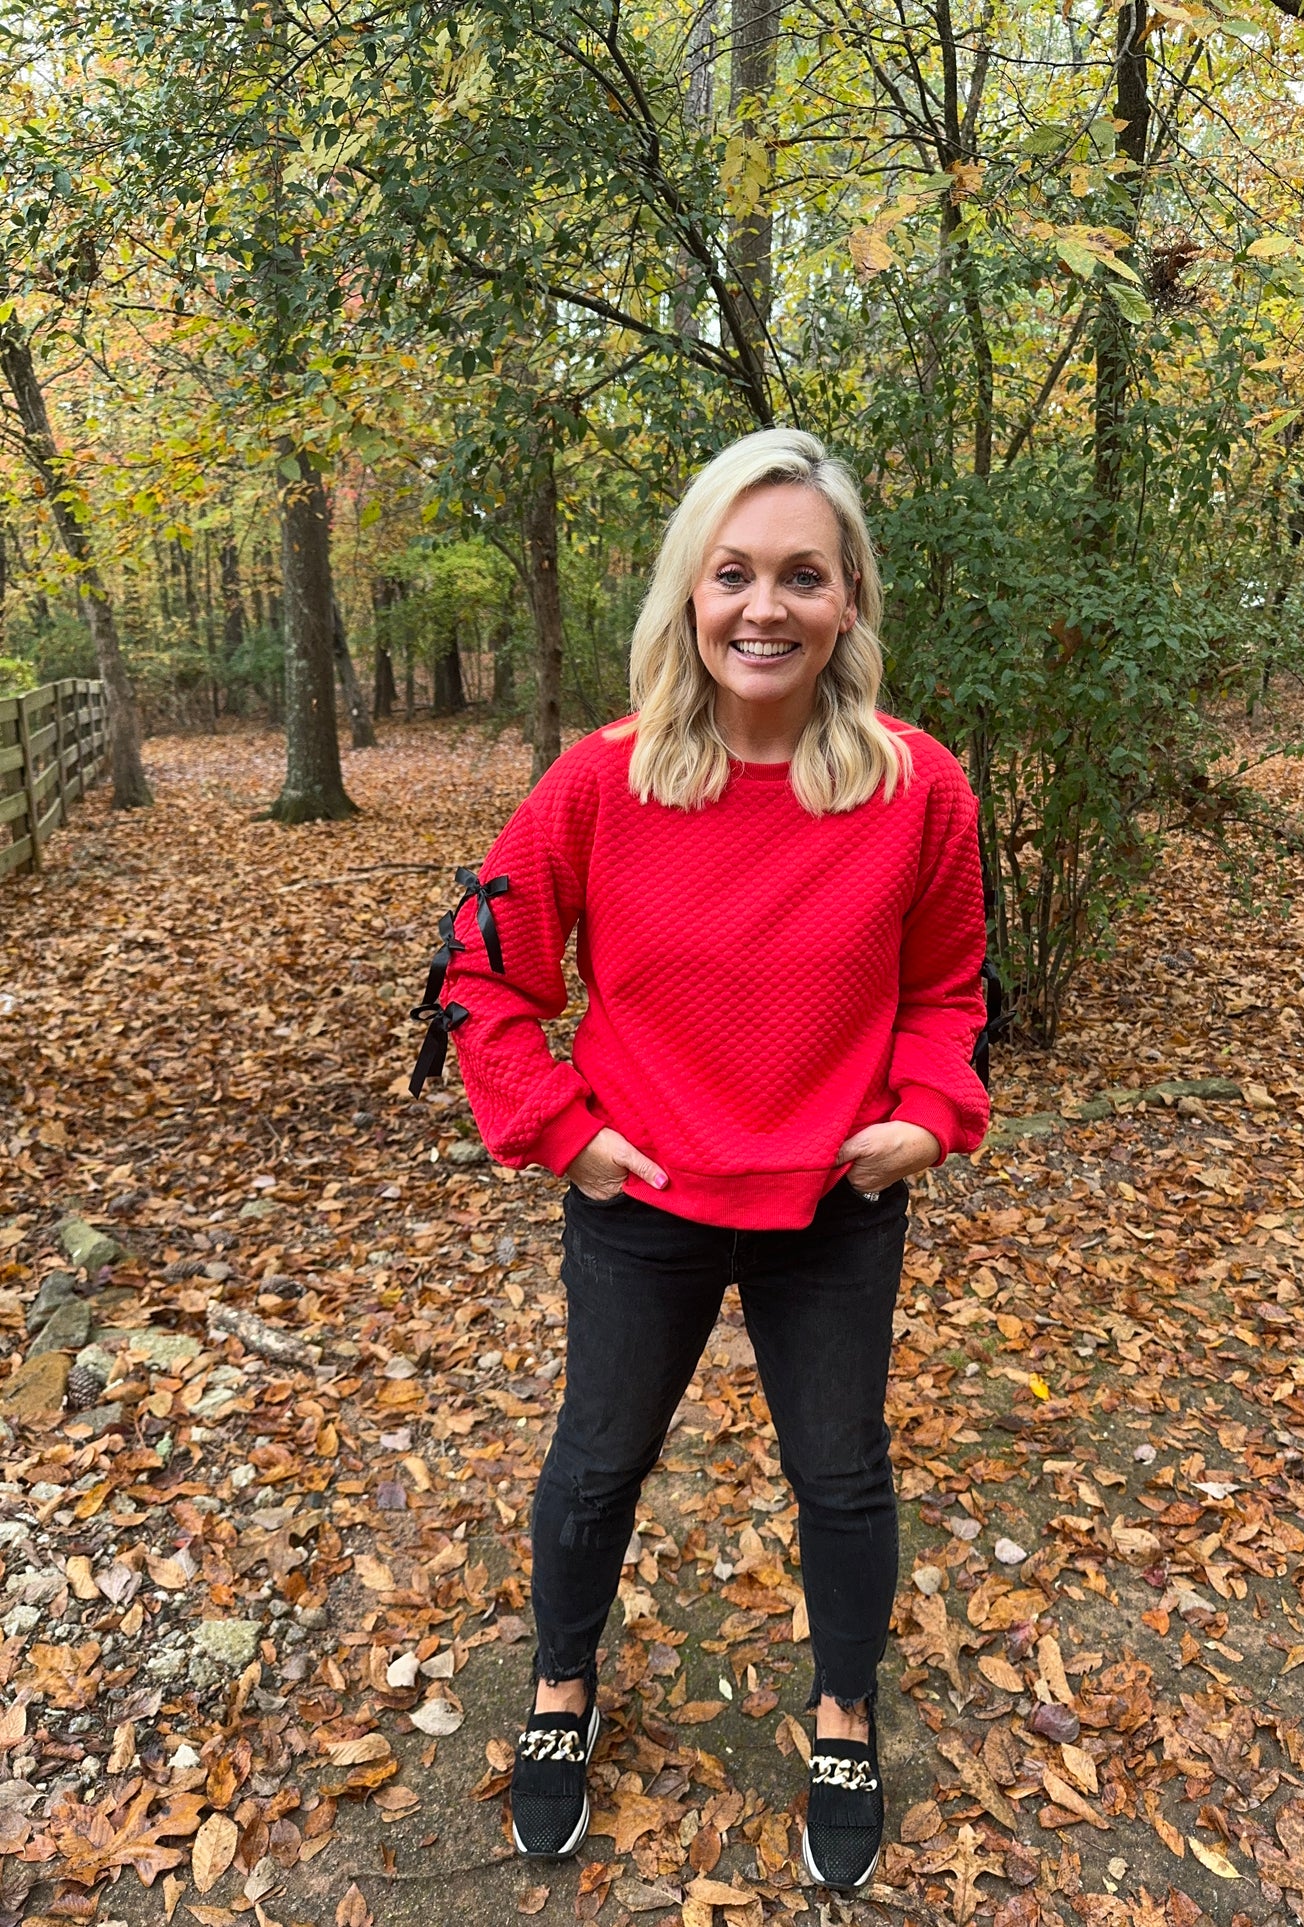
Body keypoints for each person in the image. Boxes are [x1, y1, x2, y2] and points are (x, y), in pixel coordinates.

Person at [433, 428, 990, 1889]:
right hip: (646, 1202)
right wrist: (569, 1134)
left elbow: (946, 990)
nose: (765, 607)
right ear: (688, 594)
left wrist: (927, 1115)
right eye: (733, 574)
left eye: (801, 576)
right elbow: (487, 981)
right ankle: (562, 1685)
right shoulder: (602, 784)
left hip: (834, 1205)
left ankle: (843, 1715)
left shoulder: (916, 788)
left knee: (842, 1478)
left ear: (849, 598)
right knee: (599, 1462)